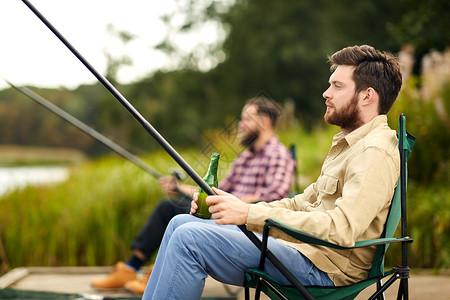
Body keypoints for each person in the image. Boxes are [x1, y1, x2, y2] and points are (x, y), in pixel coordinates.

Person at [142, 45, 403, 299]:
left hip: (325, 268)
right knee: (180, 222)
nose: (326, 93)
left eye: (337, 86)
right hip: (306, 251)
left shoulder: (374, 151)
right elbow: (300, 201)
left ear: (367, 96)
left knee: (189, 239)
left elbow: (343, 229)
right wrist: (235, 208)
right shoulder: (350, 145)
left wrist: (250, 213)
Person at [91, 97, 296, 294]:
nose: (241, 125)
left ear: (264, 121)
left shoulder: (277, 154)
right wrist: (178, 187)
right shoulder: (245, 157)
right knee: (168, 207)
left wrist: (236, 205)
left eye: (246, 118)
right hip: (223, 214)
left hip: (246, 224)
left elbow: (274, 197)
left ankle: (156, 272)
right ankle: (131, 269)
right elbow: (214, 192)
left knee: (177, 217)